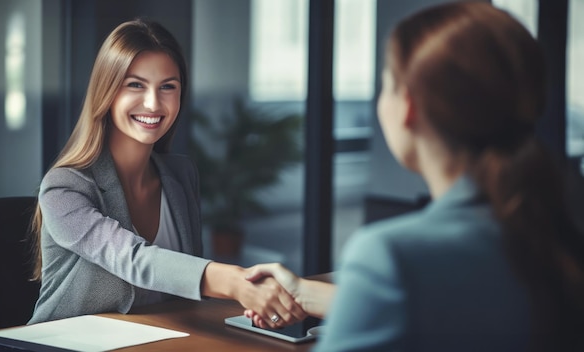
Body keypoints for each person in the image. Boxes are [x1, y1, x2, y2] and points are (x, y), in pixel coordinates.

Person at [245, 2, 584, 351]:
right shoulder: (552, 231)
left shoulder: (389, 254)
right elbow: (451, 306)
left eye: (386, 84)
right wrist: (303, 292)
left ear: (408, 105)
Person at [28, 18, 306, 327]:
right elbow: (133, 259)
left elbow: (184, 287)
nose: (153, 103)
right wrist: (237, 283)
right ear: (106, 91)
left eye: (167, 87)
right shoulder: (64, 186)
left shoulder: (180, 175)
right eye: (135, 85)